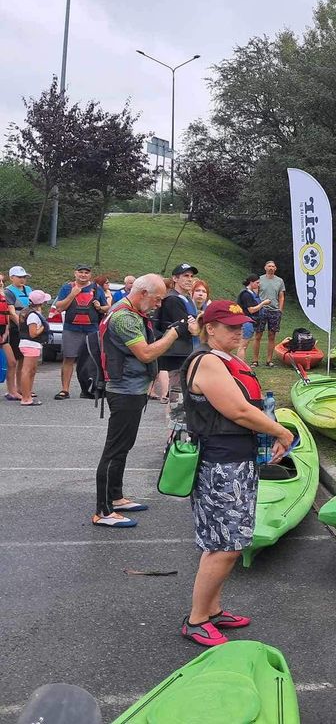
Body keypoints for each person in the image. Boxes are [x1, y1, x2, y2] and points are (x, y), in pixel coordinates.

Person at [181, 299, 294, 646]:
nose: (238, 331)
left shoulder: (227, 360)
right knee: (225, 546)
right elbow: (239, 411)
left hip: (234, 461)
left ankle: (212, 609)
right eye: (229, 326)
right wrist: (281, 431)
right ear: (209, 328)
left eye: (240, 325)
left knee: (226, 540)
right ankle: (197, 619)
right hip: (221, 465)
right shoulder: (209, 362)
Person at [94, 274, 194, 527]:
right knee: (115, 449)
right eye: (158, 300)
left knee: (123, 446)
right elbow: (147, 354)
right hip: (124, 391)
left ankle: (115, 497)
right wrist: (174, 333)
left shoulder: (134, 313)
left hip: (133, 389)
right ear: (142, 293)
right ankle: (103, 511)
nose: (159, 305)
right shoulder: (124, 317)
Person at [53, 263, 109, 400]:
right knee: (68, 358)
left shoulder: (97, 289)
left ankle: (90, 389)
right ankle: (65, 390)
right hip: (71, 328)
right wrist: (72, 295)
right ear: (75, 273)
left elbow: (107, 308)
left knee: (91, 360)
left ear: (90, 275)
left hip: (92, 329)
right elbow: (59, 307)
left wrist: (100, 307)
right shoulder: (67, 288)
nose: (83, 275)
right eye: (81, 272)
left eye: (86, 272)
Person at [156, 263, 200, 431]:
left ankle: (179, 431)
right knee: (177, 396)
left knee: (183, 395)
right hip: (177, 354)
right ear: (175, 279)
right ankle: (173, 435)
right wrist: (196, 325)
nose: (189, 280)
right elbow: (189, 328)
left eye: (191, 276)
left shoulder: (187, 298)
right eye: (185, 276)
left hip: (186, 351)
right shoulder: (173, 299)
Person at [15, 290, 51, 405]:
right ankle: (26, 398)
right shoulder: (33, 316)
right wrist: (44, 327)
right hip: (31, 344)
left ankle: (27, 394)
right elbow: (33, 333)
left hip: (28, 344)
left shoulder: (27, 312)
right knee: (27, 371)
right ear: (41, 303)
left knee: (31, 370)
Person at [5, 266, 33, 399]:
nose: (22, 279)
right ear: (11, 278)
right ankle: (13, 388)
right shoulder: (8, 291)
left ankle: (22, 387)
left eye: (24, 277)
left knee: (23, 358)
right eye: (19, 277)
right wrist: (22, 326)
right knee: (14, 359)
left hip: (28, 327)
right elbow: (11, 312)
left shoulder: (28, 290)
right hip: (15, 329)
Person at [251, 260, 286, 367]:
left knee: (272, 336)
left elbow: (281, 296)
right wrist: (257, 307)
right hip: (262, 310)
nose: (271, 268)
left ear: (275, 269)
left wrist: (280, 310)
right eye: (269, 266)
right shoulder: (260, 280)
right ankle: (255, 360)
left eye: (273, 266)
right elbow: (255, 294)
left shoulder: (279, 281)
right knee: (258, 335)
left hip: (274, 311)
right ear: (265, 268)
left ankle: (269, 360)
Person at [236, 275, 269, 358]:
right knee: (243, 346)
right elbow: (251, 310)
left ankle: (241, 365)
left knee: (244, 346)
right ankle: (240, 365)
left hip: (251, 322)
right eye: (257, 283)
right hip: (246, 322)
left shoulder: (252, 293)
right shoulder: (246, 294)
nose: (258, 284)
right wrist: (263, 303)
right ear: (251, 282)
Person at [0, 272, 20, 401]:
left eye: (2, 281)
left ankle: (12, 391)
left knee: (12, 362)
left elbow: (6, 314)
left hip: (3, 334)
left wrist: (6, 331)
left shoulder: (3, 295)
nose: (1, 283)